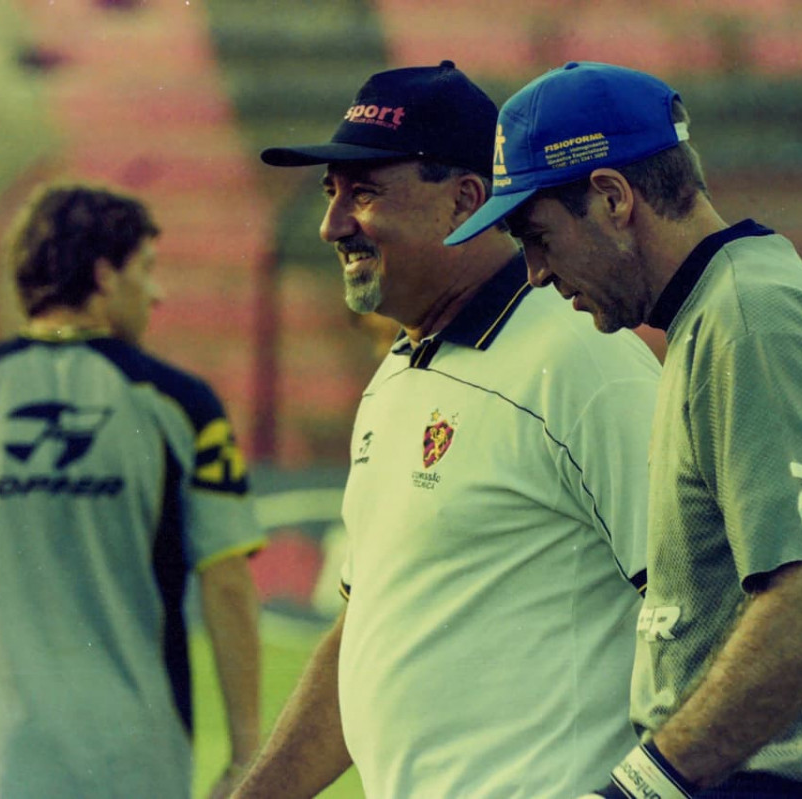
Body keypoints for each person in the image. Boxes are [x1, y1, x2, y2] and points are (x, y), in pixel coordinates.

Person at [448, 61, 802, 798]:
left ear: (612, 198)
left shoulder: (750, 320)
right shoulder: (736, 305)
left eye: (538, 236)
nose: (536, 273)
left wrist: (643, 785)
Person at [232, 61, 661, 798]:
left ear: (467, 201)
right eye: (333, 194)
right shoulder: (400, 372)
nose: (332, 225)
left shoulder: (583, 362)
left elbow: (705, 610)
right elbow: (365, 626)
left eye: (364, 192)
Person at [0, 184, 266, 799]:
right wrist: (249, 754)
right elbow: (227, 583)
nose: (158, 293)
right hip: (140, 770)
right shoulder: (181, 404)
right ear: (105, 275)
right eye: (148, 270)